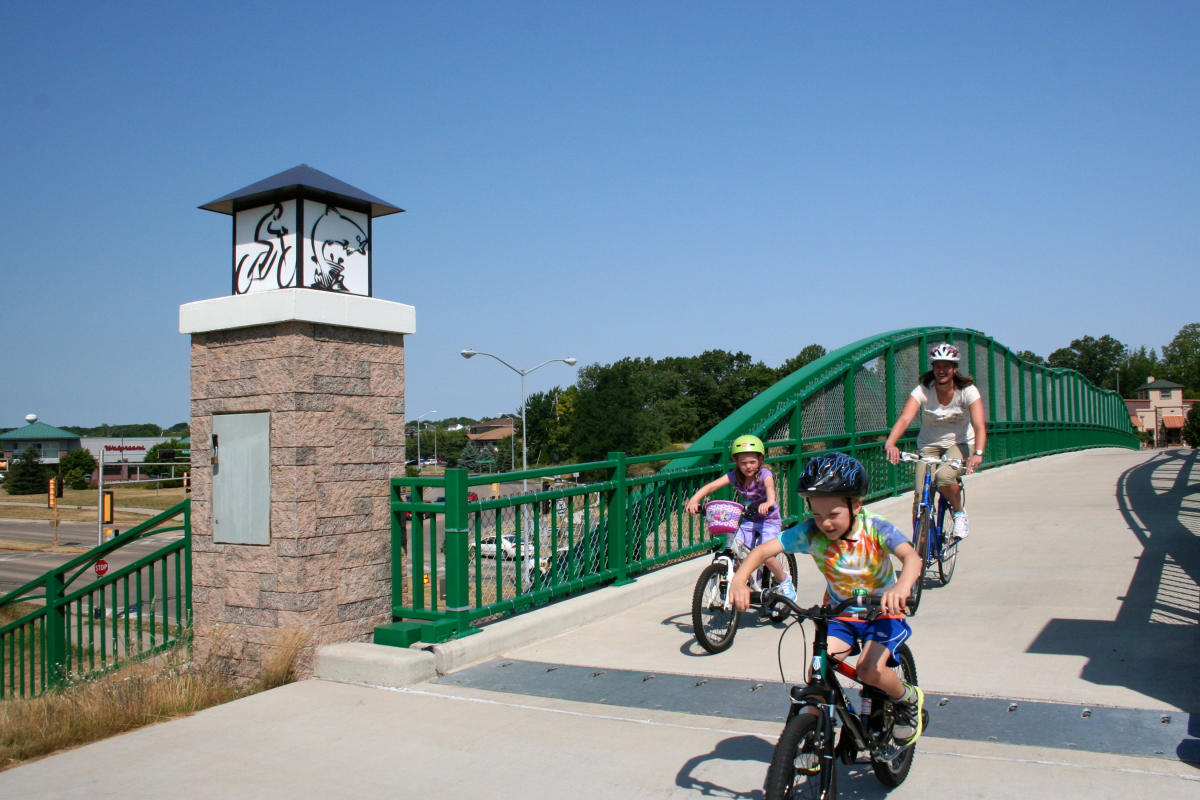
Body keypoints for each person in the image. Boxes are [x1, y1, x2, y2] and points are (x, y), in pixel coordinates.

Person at [729, 452, 925, 745]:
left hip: (882, 613)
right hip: (841, 615)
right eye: (817, 515)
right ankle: (815, 736)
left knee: (869, 670)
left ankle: (907, 699)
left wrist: (902, 588)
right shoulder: (811, 532)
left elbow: (911, 557)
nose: (825, 524)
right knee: (817, 673)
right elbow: (761, 552)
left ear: (856, 505)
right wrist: (739, 581)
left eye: (833, 514)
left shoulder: (874, 527)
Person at [884, 343, 986, 539]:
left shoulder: (967, 391)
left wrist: (978, 454)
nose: (942, 370)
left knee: (945, 477)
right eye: (937, 366)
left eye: (947, 366)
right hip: (929, 446)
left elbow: (979, 425)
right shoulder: (924, 390)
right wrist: (891, 443)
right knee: (920, 496)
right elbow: (905, 418)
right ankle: (920, 550)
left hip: (961, 444)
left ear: (955, 369)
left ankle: (958, 513)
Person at [685, 435, 796, 601]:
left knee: (766, 554)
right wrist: (694, 499)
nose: (748, 466)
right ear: (736, 462)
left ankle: (784, 580)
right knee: (738, 552)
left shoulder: (764, 473)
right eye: (743, 463)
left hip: (768, 520)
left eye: (752, 462)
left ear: (760, 460)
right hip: (749, 519)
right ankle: (746, 580)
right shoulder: (735, 476)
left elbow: (769, 486)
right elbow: (712, 486)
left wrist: (770, 501)